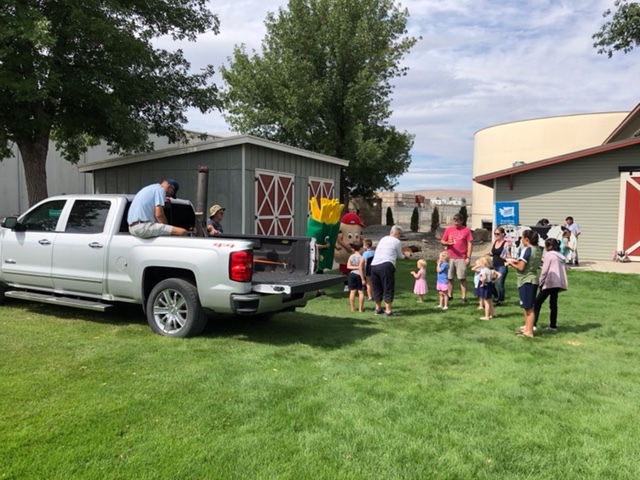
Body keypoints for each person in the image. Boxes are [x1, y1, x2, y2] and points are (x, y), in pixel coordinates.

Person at [506, 230, 542, 338]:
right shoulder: (538, 249)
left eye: (522, 238)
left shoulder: (527, 250)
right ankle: (527, 328)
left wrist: (511, 263)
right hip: (533, 279)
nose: (521, 240)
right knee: (527, 306)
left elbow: (521, 267)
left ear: (527, 239)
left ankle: (529, 332)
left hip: (526, 280)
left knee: (529, 308)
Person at [371, 225, 410, 317]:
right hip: (386, 265)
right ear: (397, 233)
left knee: (377, 287)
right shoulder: (396, 241)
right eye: (400, 234)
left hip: (374, 265)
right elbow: (400, 256)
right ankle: (388, 311)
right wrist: (406, 256)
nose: (400, 236)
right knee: (388, 287)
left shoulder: (383, 238)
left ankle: (377, 308)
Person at [534, 238, 568, 332]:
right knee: (553, 304)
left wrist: (541, 281)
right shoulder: (559, 256)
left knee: (537, 302)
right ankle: (553, 326)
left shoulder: (549, 255)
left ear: (549, 246)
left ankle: (533, 324)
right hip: (557, 283)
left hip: (549, 282)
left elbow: (544, 270)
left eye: (546, 245)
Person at [440, 213, 473, 302]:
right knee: (450, 277)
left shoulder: (466, 230)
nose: (456, 222)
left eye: (458, 221)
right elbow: (442, 241)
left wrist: (468, 257)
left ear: (461, 221)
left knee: (462, 278)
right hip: (449, 257)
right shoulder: (448, 229)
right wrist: (447, 243)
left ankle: (463, 297)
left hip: (461, 257)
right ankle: (450, 295)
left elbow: (470, 244)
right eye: (454, 220)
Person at [477, 256, 499, 320]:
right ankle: (493, 313)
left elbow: (483, 278)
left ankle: (486, 316)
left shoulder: (483, 270)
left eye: (480, 263)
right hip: (490, 285)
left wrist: (482, 284)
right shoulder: (489, 270)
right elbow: (498, 275)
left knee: (486, 301)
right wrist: (494, 281)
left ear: (483, 263)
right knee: (489, 300)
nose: (479, 264)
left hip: (485, 286)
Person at [491, 226, 509, 305]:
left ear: (502, 234)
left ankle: (500, 300)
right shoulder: (494, 242)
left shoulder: (506, 243)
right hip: (494, 265)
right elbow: (492, 252)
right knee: (491, 282)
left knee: (500, 283)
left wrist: (507, 256)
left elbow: (507, 253)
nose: (496, 235)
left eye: (497, 234)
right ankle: (496, 297)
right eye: (495, 234)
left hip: (502, 265)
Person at [347, 241, 366, 312]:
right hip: (359, 275)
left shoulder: (351, 256)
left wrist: (355, 267)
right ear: (360, 248)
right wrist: (362, 279)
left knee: (352, 291)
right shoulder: (362, 258)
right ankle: (360, 308)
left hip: (352, 274)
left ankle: (352, 308)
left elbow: (348, 266)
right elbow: (360, 268)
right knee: (361, 292)